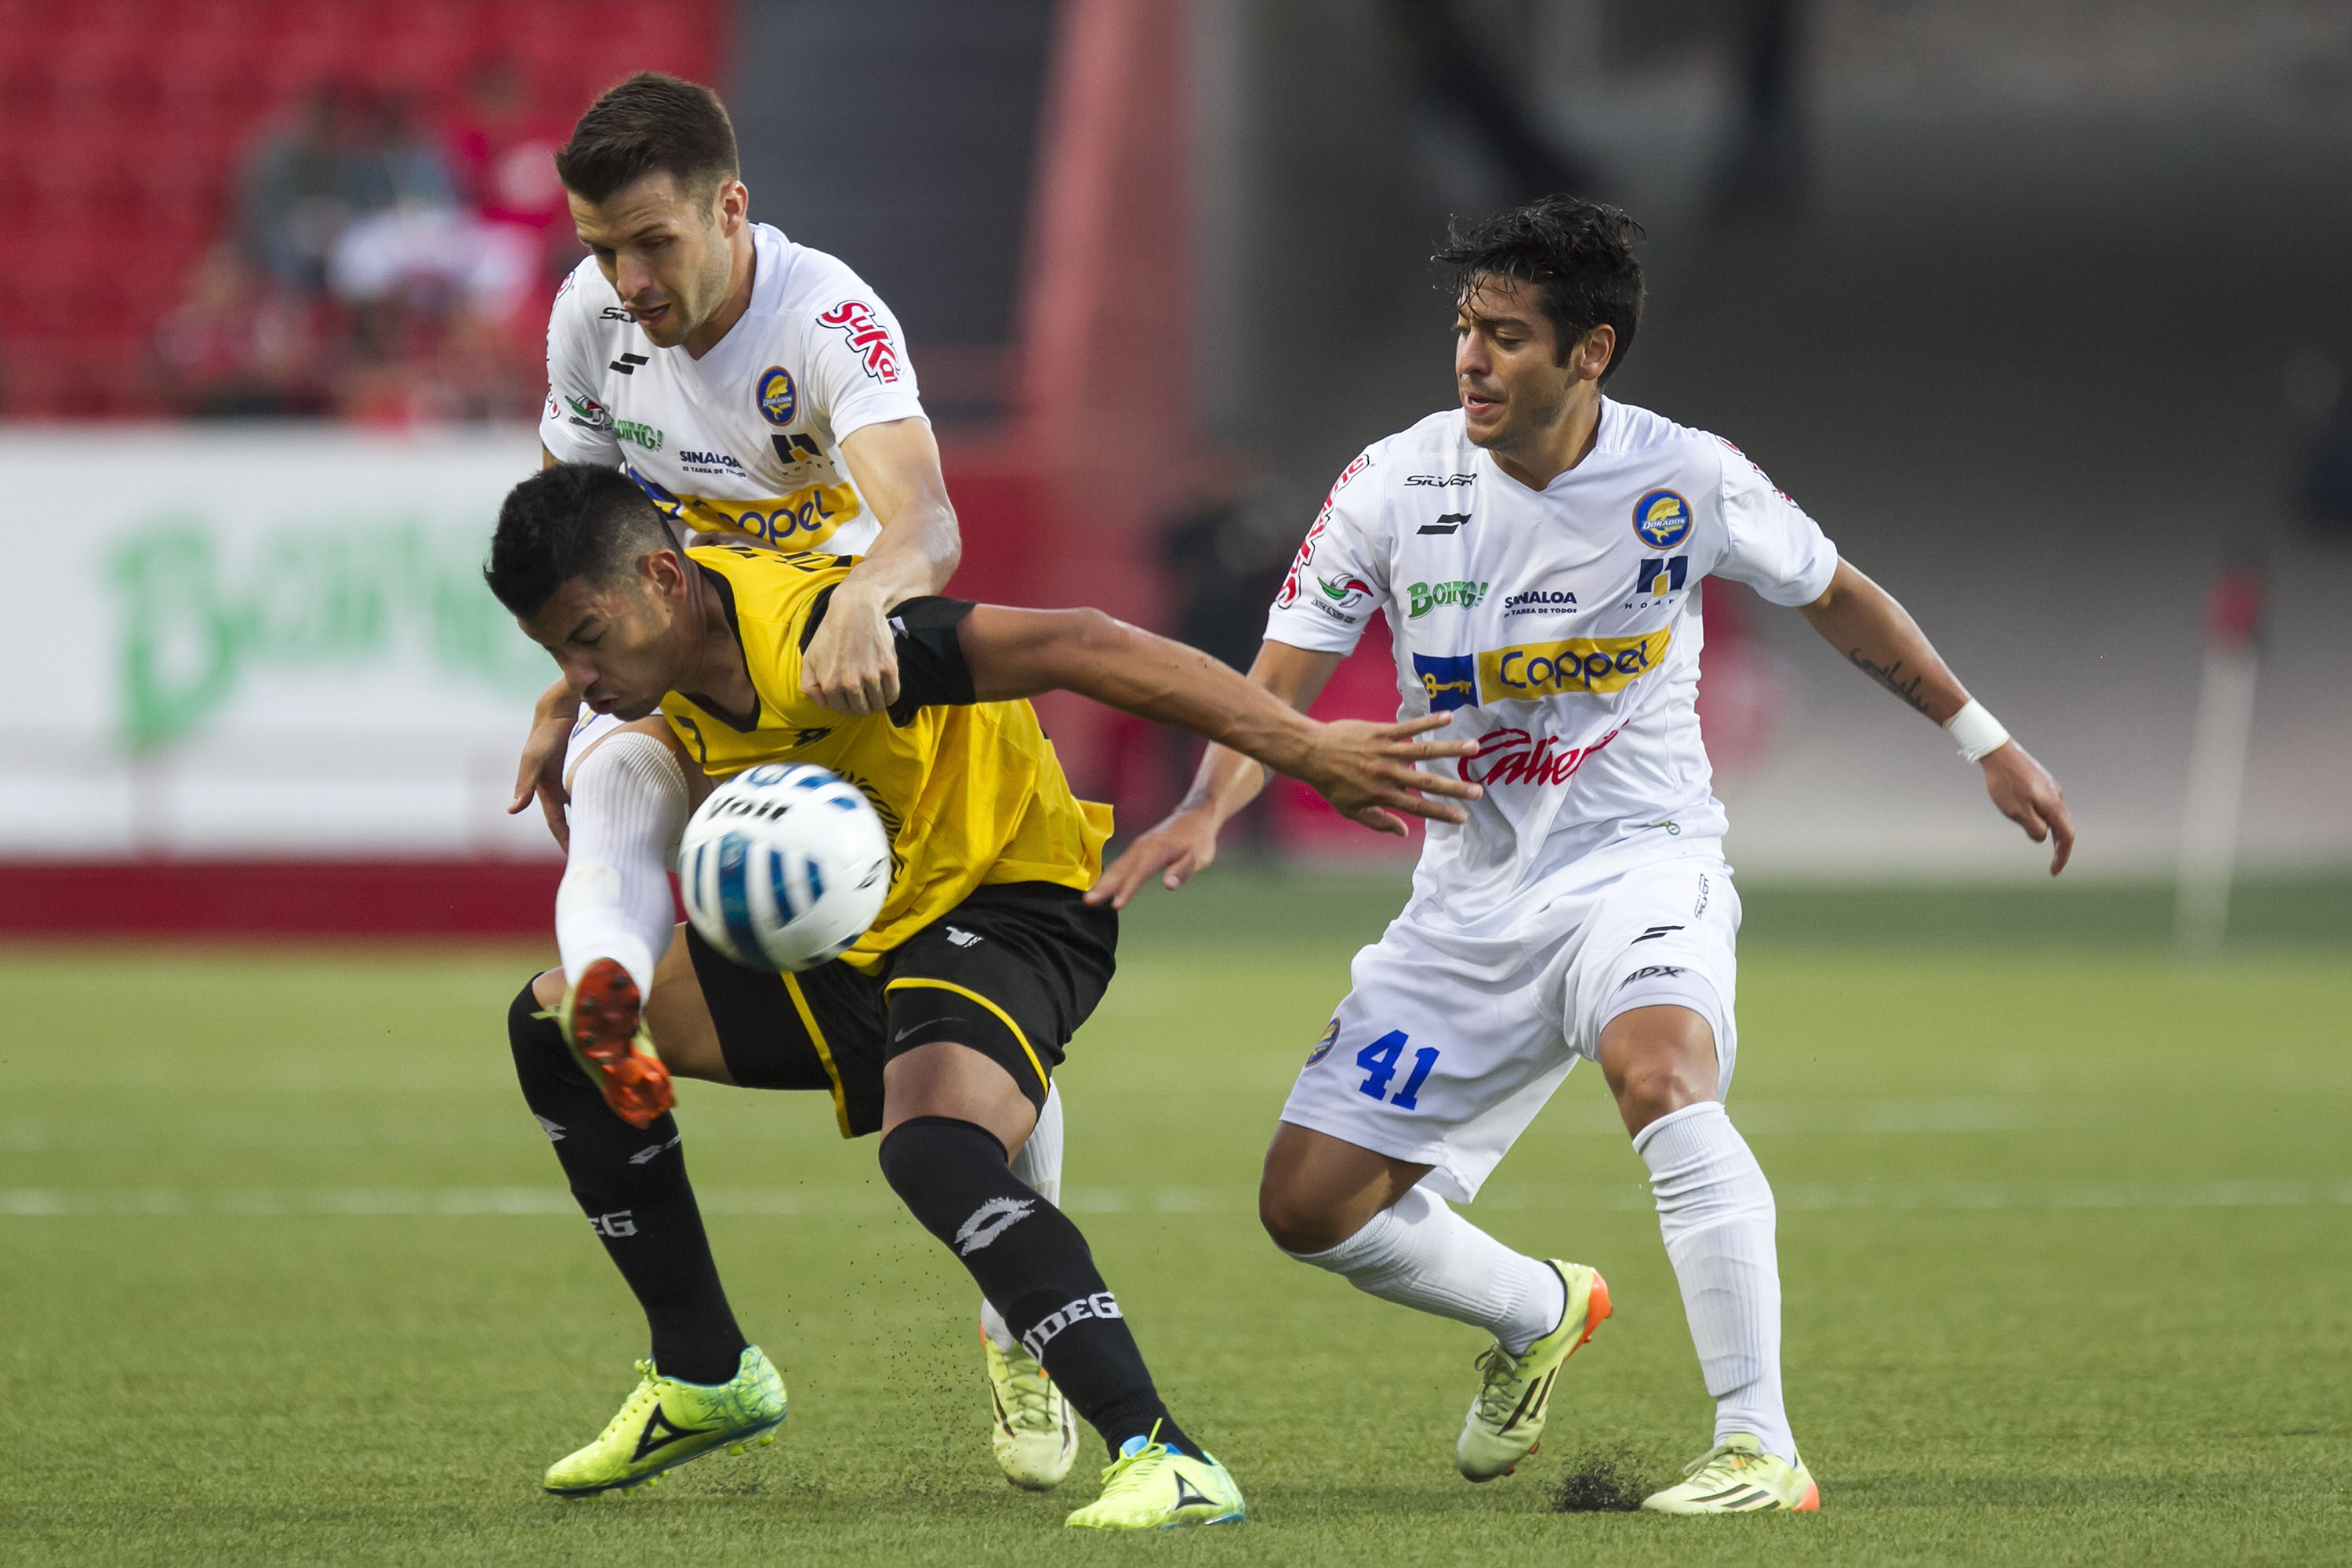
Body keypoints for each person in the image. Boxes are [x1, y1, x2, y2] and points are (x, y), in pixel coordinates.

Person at [1092, 195, 2077, 1515]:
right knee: (1308, 1205)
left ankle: (1758, 1445)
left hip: (1642, 861)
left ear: (1590, 354)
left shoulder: (1688, 479)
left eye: (1505, 336)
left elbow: (1837, 593)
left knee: (1665, 1077)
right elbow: (1281, 671)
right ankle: (1538, 1307)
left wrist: (1985, 740)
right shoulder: (1395, 485)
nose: (1471, 360)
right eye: (1464, 329)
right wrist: (1213, 800)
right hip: (1467, 901)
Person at [482, 463, 1478, 1525]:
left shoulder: (832, 640)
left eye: (586, 637)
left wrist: (1305, 749)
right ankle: (704, 1369)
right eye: (554, 652)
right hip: (862, 936)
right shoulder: (654, 666)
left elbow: (1084, 644)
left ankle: (1166, 1454)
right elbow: (618, 797)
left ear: (665, 580)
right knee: (555, 1028)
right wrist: (575, 715)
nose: (577, 674)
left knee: (933, 1148)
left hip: (1015, 899)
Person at [505, 75, 1090, 1485]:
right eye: (600, 248)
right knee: (616, 768)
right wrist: (564, 677)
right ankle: (615, 1006)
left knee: (943, 984)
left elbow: (929, 523)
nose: (627, 281)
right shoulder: (591, 323)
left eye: (652, 242)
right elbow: (574, 527)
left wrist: (863, 597)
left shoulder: (830, 320)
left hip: (844, 688)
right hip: (691, 663)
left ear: (729, 208)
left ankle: (1019, 1335)